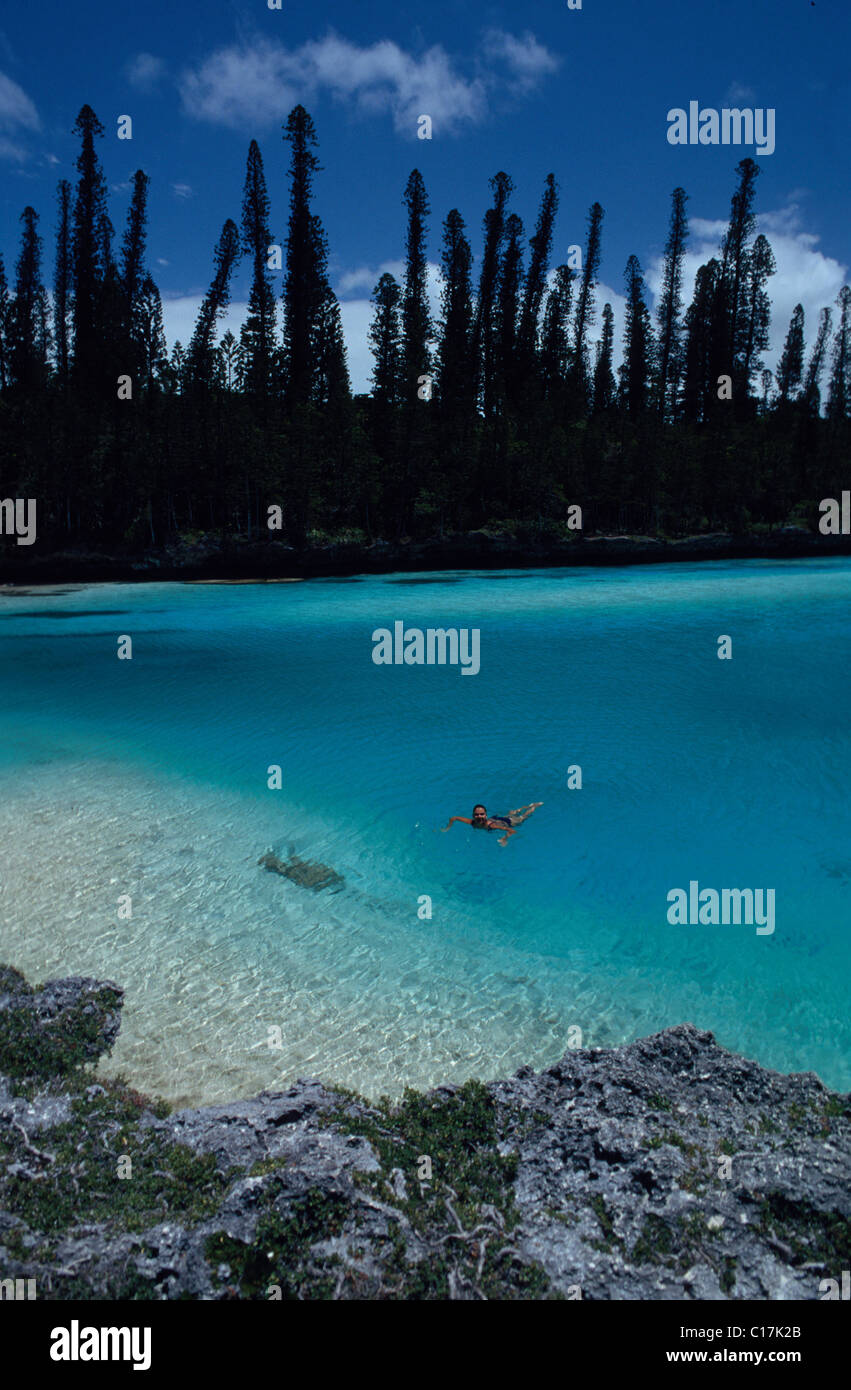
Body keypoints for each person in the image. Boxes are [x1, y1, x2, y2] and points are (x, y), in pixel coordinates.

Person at [441, 802, 543, 847]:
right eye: (477, 814)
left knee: (523, 817)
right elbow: (454, 818)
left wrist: (504, 839)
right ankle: (524, 807)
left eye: (482, 814)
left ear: (485, 815)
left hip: (508, 822)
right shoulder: (471, 822)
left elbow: (512, 830)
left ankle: (533, 807)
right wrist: (447, 828)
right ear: (473, 815)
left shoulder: (490, 826)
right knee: (512, 813)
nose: (479, 816)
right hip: (497, 818)